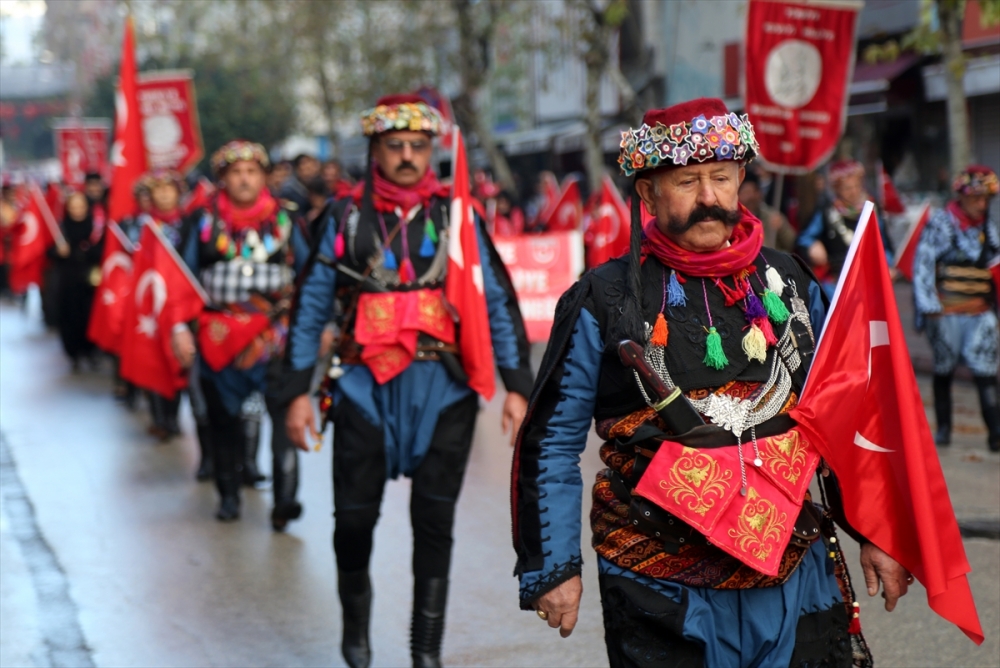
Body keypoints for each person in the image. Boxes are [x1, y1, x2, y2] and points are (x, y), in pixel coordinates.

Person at [511, 98, 911, 667]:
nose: (708, 198)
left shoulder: (791, 280)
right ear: (646, 194)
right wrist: (553, 567)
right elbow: (551, 440)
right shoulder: (603, 298)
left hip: (792, 567)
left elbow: (845, 416)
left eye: (721, 178)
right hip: (659, 575)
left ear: (741, 179)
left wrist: (877, 530)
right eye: (686, 181)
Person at [277, 94, 533, 668]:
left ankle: (425, 653)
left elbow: (497, 302)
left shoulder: (458, 218)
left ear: (432, 151)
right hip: (361, 387)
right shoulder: (342, 218)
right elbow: (310, 304)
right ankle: (357, 636)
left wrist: (517, 386)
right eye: (395, 146)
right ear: (374, 151)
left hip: (443, 388)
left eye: (418, 147)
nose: (407, 157)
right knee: (354, 522)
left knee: (435, 523)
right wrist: (296, 393)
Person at [173, 141, 308, 524]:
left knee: (283, 418)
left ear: (265, 177)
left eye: (252, 171)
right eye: (236, 172)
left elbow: (309, 275)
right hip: (221, 338)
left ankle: (285, 501)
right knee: (224, 421)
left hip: (275, 336)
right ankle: (229, 495)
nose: (244, 179)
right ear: (222, 180)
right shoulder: (201, 221)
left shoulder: (287, 219)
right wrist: (181, 327)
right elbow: (183, 279)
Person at [912, 165, 1000, 452]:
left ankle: (995, 432)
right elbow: (923, 264)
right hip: (946, 311)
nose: (982, 204)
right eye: (977, 198)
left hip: (979, 310)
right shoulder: (941, 223)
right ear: (962, 197)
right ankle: (945, 429)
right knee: (944, 368)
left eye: (985, 199)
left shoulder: (988, 227)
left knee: (986, 369)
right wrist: (929, 306)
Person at [796, 160, 891, 293]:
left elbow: (884, 245)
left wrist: (887, 266)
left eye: (857, 186)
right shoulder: (827, 210)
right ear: (837, 189)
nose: (853, 192)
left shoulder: (871, 210)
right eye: (847, 188)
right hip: (836, 281)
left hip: (867, 279)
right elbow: (804, 239)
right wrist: (811, 246)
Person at [50, 191, 103, 371]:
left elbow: (102, 251)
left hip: (90, 280)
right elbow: (48, 252)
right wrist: (59, 251)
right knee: (70, 317)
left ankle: (91, 350)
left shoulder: (96, 228)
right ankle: (73, 353)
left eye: (81, 206)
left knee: (90, 315)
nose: (77, 210)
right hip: (68, 281)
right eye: (73, 207)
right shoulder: (61, 228)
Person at [739, 169, 795, 252]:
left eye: (754, 191)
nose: (751, 197)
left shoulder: (771, 215)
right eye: (746, 192)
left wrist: (782, 228)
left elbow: (792, 243)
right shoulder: (733, 219)